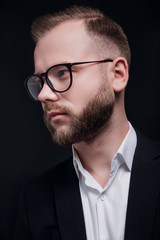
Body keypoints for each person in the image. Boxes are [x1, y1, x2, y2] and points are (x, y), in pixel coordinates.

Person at [14, 5, 160, 240]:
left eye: (62, 73)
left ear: (118, 74)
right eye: (40, 81)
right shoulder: (35, 198)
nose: (43, 95)